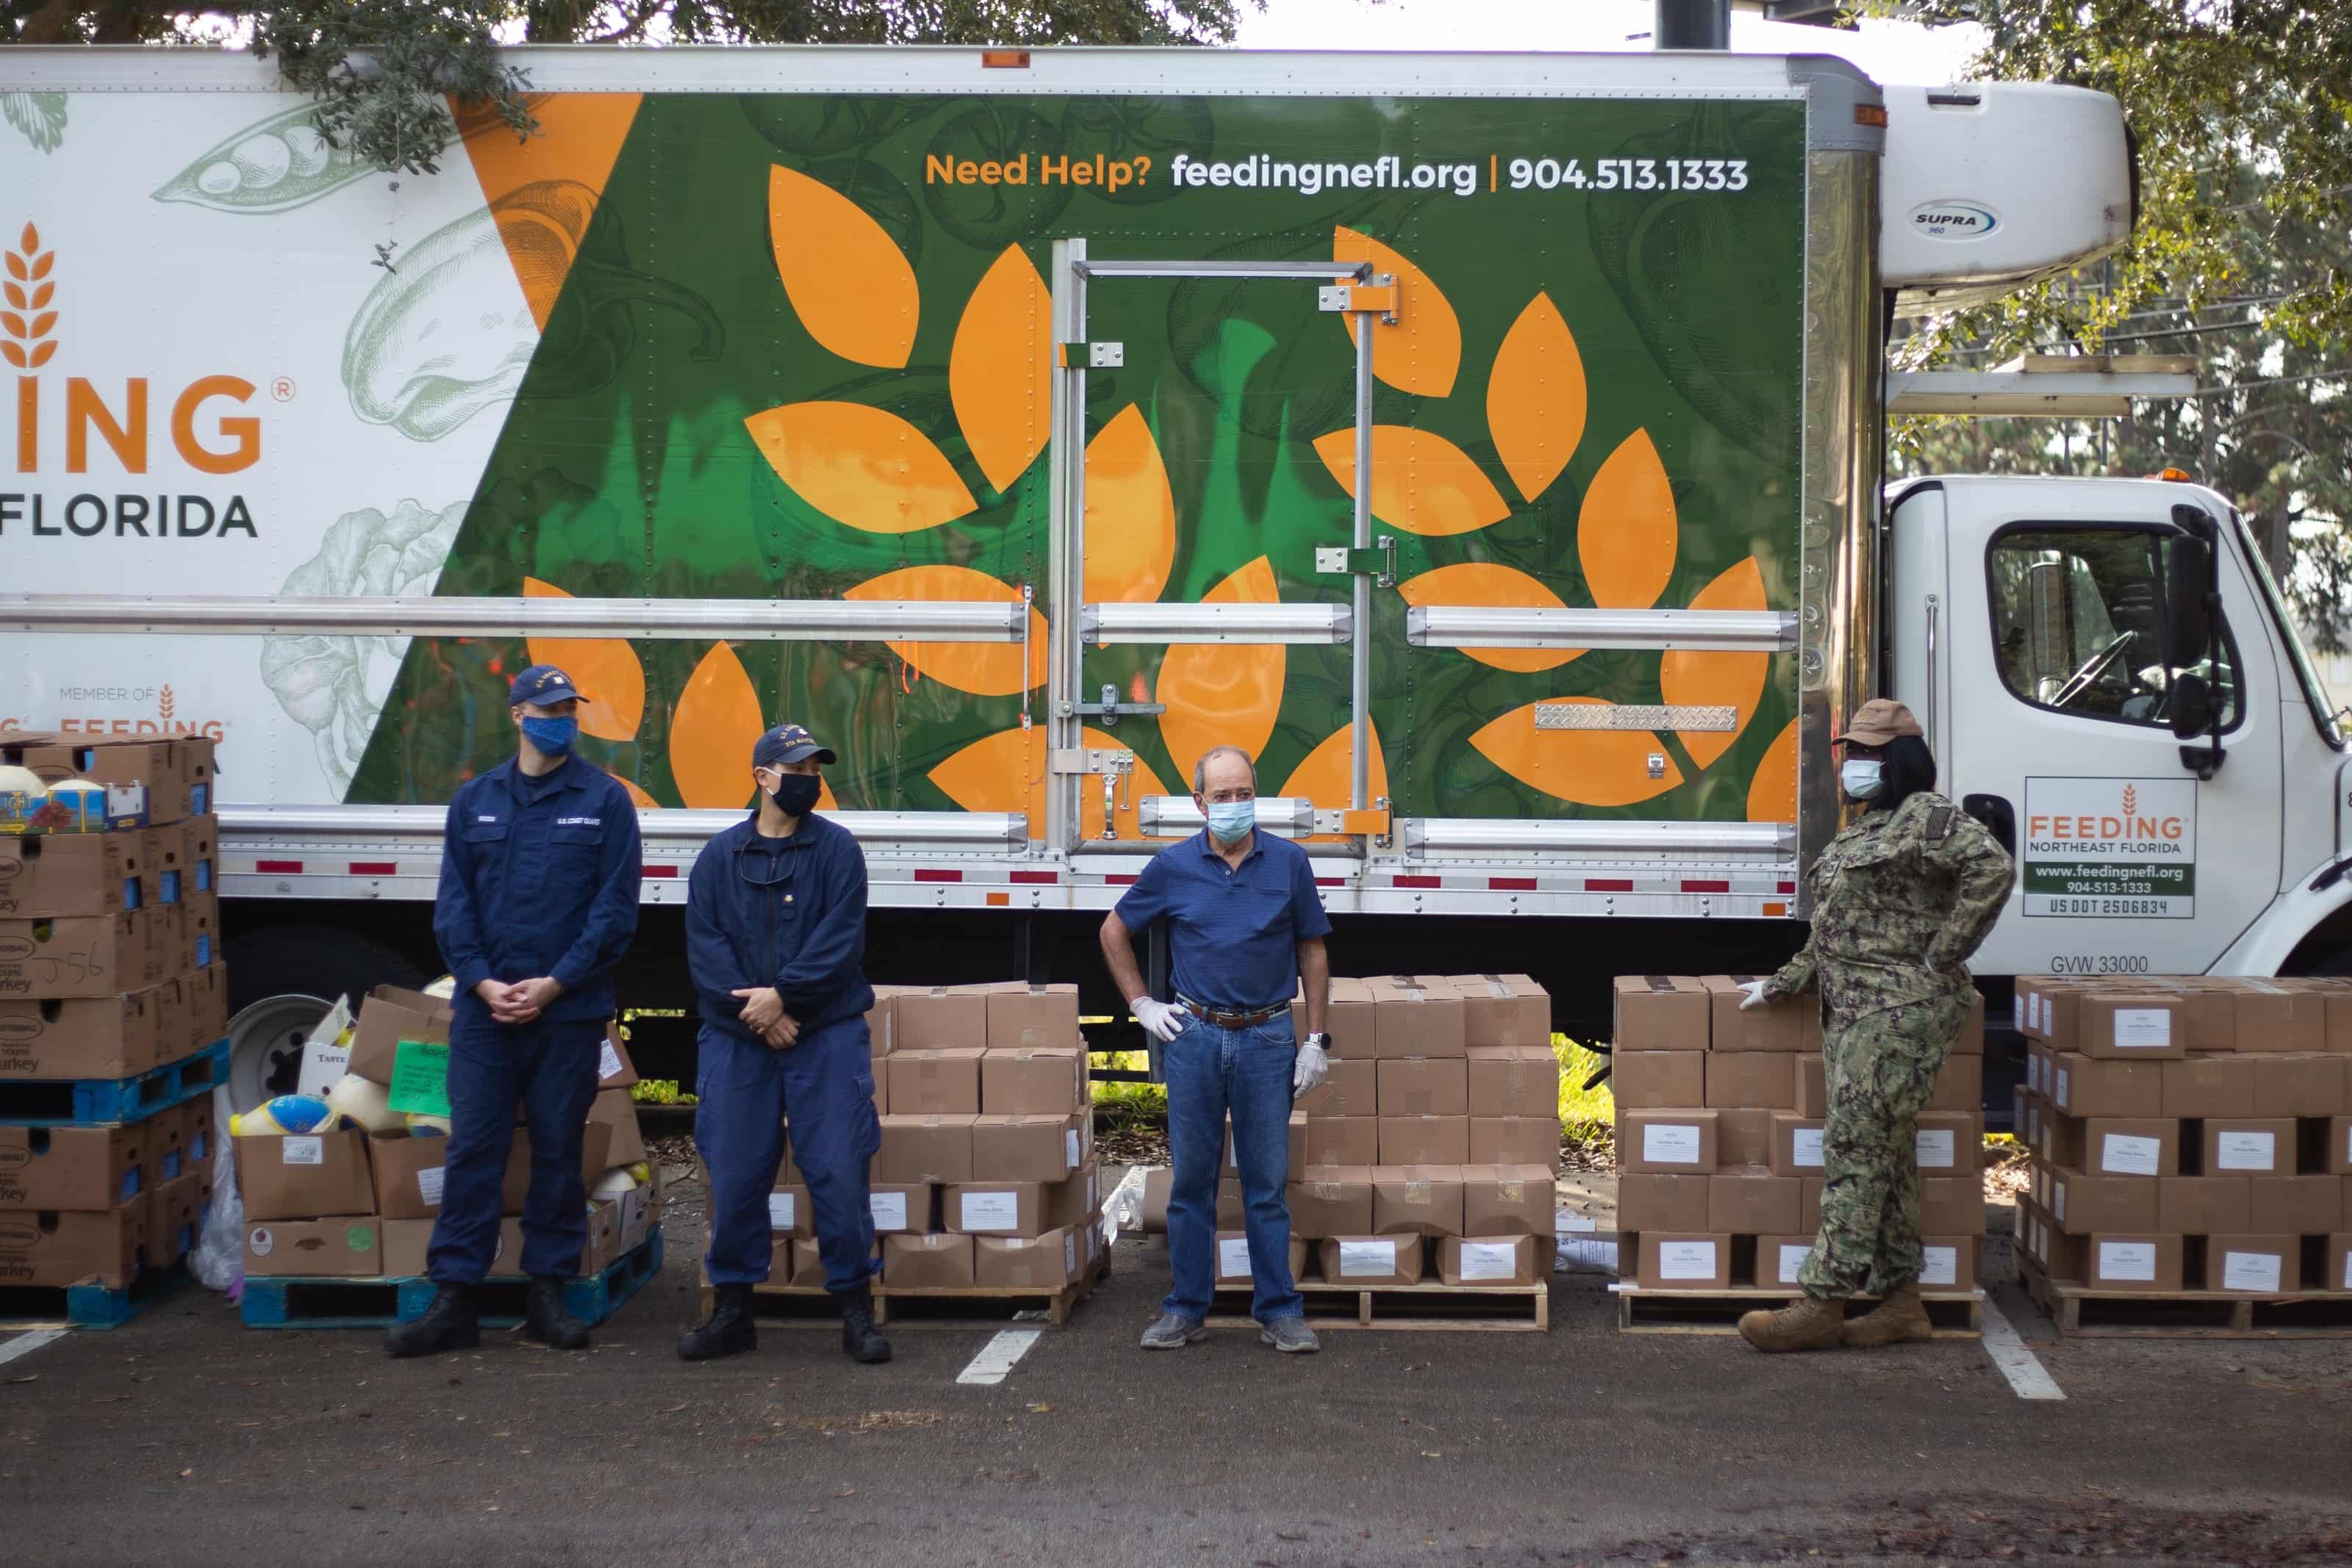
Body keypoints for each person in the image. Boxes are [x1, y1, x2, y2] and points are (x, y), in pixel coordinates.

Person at [1736, 699, 2012, 1353]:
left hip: (1897, 1013)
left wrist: (1947, 950)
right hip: (1857, 1013)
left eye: (1868, 754)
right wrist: (1779, 985)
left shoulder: (1927, 815)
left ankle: (1824, 1301)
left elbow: (1992, 866)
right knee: (1885, 1154)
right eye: (1850, 754)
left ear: (1901, 760)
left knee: (1856, 1150)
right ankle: (1900, 1302)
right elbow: (1833, 934)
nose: (1854, 765)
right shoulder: (1865, 831)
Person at [390, 663, 643, 1358]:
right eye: (549, 706)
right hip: (486, 1015)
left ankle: (548, 1293)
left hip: (567, 1013)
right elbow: (453, 907)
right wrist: (478, 982)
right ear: (517, 715)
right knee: (473, 1148)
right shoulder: (475, 802)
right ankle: (455, 1297)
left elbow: (615, 913)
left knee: (559, 1153)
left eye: (569, 707)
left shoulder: (605, 801)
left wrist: (556, 984)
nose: (561, 717)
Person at [1100, 744, 1333, 1354]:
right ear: (1200, 803)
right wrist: (1142, 1005)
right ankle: (1185, 1308)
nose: (1235, 805)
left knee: (1265, 1184)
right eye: (1222, 796)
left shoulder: (1288, 864)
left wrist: (1315, 1039)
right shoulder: (1173, 866)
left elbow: (1313, 949)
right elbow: (1113, 930)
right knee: (1192, 1182)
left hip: (1267, 1038)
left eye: (1244, 794)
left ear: (1257, 795)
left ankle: (1280, 1311)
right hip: (1196, 1036)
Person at [676, 723, 888, 1365]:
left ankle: (855, 1309)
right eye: (795, 770)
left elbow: (839, 942)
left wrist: (785, 998)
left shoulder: (837, 852)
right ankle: (734, 1311)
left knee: (838, 1171)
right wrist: (764, 1015)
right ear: (763, 778)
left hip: (823, 1034)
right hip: (740, 1038)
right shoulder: (719, 859)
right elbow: (706, 950)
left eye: (814, 770)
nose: (809, 781)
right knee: (737, 1172)